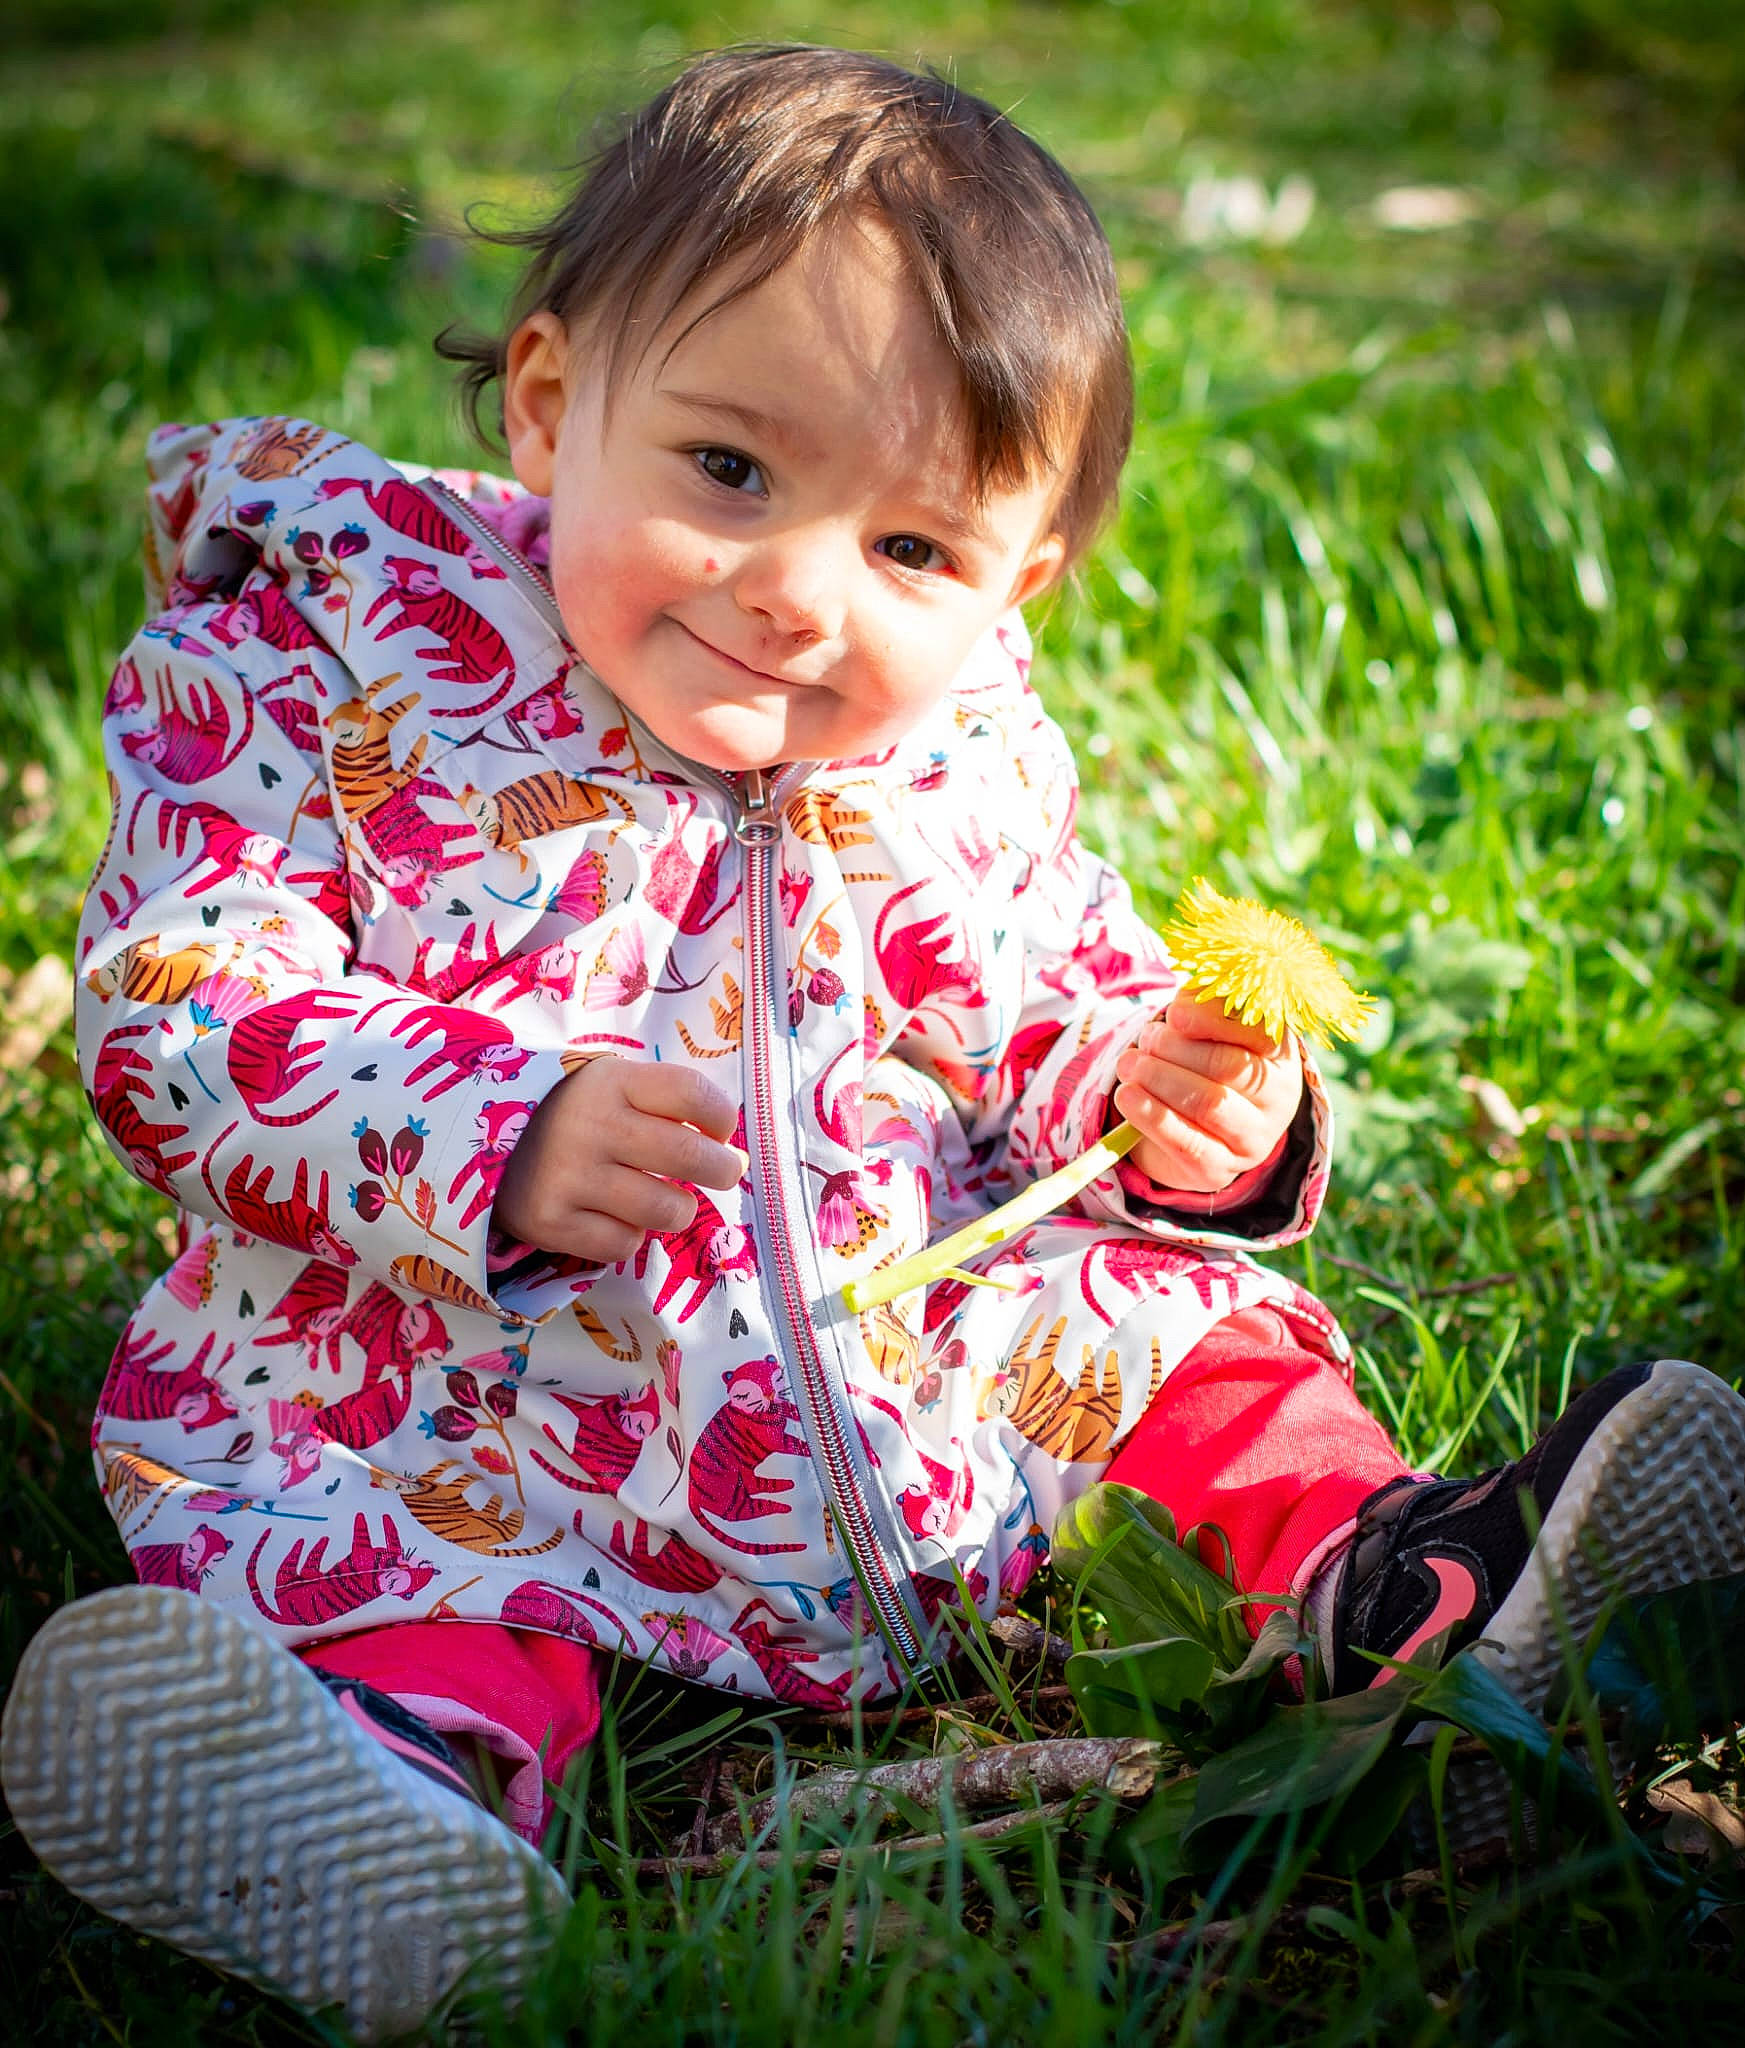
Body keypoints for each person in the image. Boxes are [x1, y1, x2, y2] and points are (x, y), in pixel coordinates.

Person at [5, 42, 1744, 2043]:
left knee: (1177, 1324)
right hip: (471, 1370)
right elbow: (178, 999)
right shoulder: (324, 653)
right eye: (730, 474)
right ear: (561, 402)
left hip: (914, 1352)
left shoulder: (963, 743)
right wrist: (492, 1131)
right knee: (392, 1540)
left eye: (912, 549)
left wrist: (1163, 1101)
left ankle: (1402, 1584)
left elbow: (1043, 1003)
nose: (799, 598)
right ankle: (407, 1784)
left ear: (1021, 580)